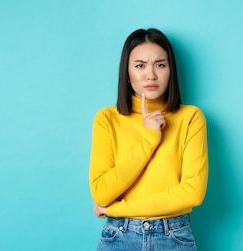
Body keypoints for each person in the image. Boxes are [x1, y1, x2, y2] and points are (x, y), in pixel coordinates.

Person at [89, 28, 208, 251]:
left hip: (174, 237)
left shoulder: (191, 118)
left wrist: (117, 209)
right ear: (126, 73)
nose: (151, 75)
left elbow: (193, 192)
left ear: (171, 71)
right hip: (119, 237)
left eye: (160, 65)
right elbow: (101, 192)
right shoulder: (107, 119)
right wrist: (150, 138)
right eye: (140, 65)